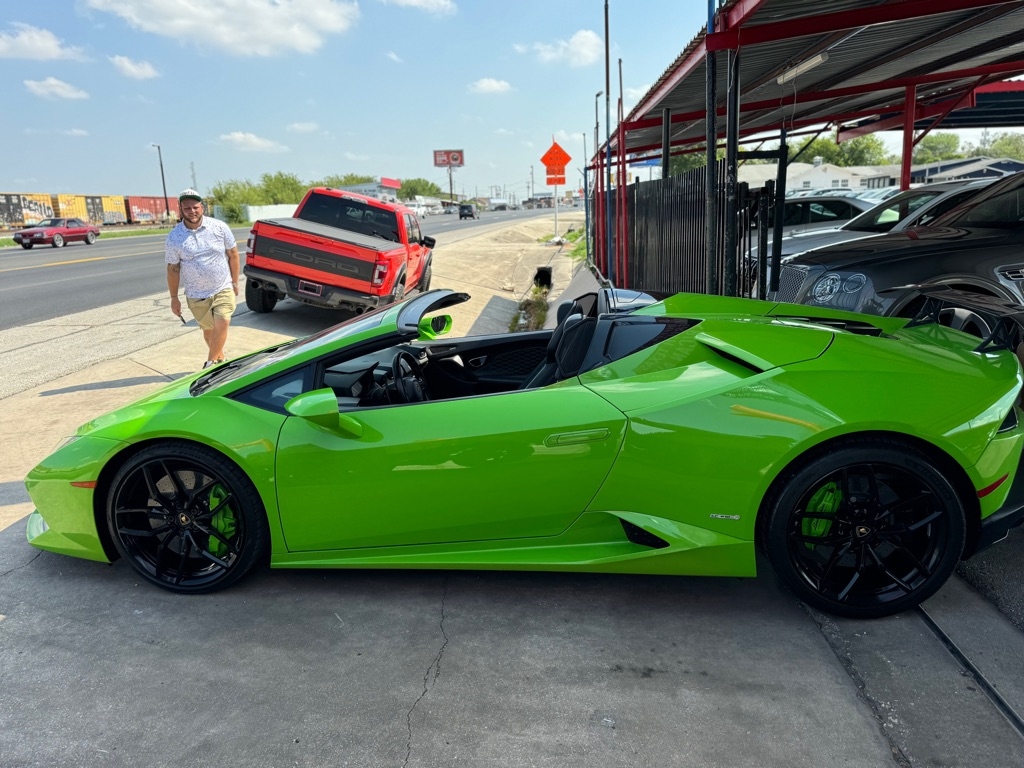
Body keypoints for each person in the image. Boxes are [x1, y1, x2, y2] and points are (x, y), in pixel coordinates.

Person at [165, 189, 240, 368]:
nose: (192, 211)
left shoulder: (219, 227)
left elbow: (233, 254)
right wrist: (174, 298)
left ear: (202, 207)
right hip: (196, 294)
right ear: (180, 209)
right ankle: (221, 362)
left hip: (222, 287)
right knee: (209, 332)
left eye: (195, 207)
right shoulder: (174, 237)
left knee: (223, 320)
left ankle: (209, 364)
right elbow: (173, 269)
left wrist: (235, 282)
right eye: (187, 208)